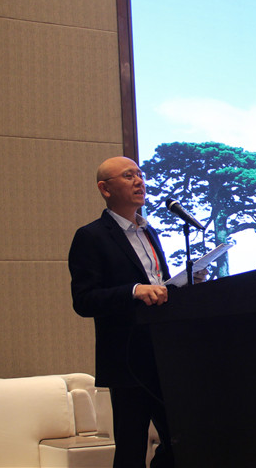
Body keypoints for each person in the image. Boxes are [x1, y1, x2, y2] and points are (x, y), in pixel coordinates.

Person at [69, 156, 204, 468]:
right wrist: (133, 290)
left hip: (165, 354)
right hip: (127, 358)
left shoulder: (149, 232)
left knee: (181, 441)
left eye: (140, 175)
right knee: (131, 449)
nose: (139, 181)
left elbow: (157, 287)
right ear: (105, 188)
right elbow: (84, 300)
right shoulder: (91, 236)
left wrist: (185, 283)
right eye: (128, 176)